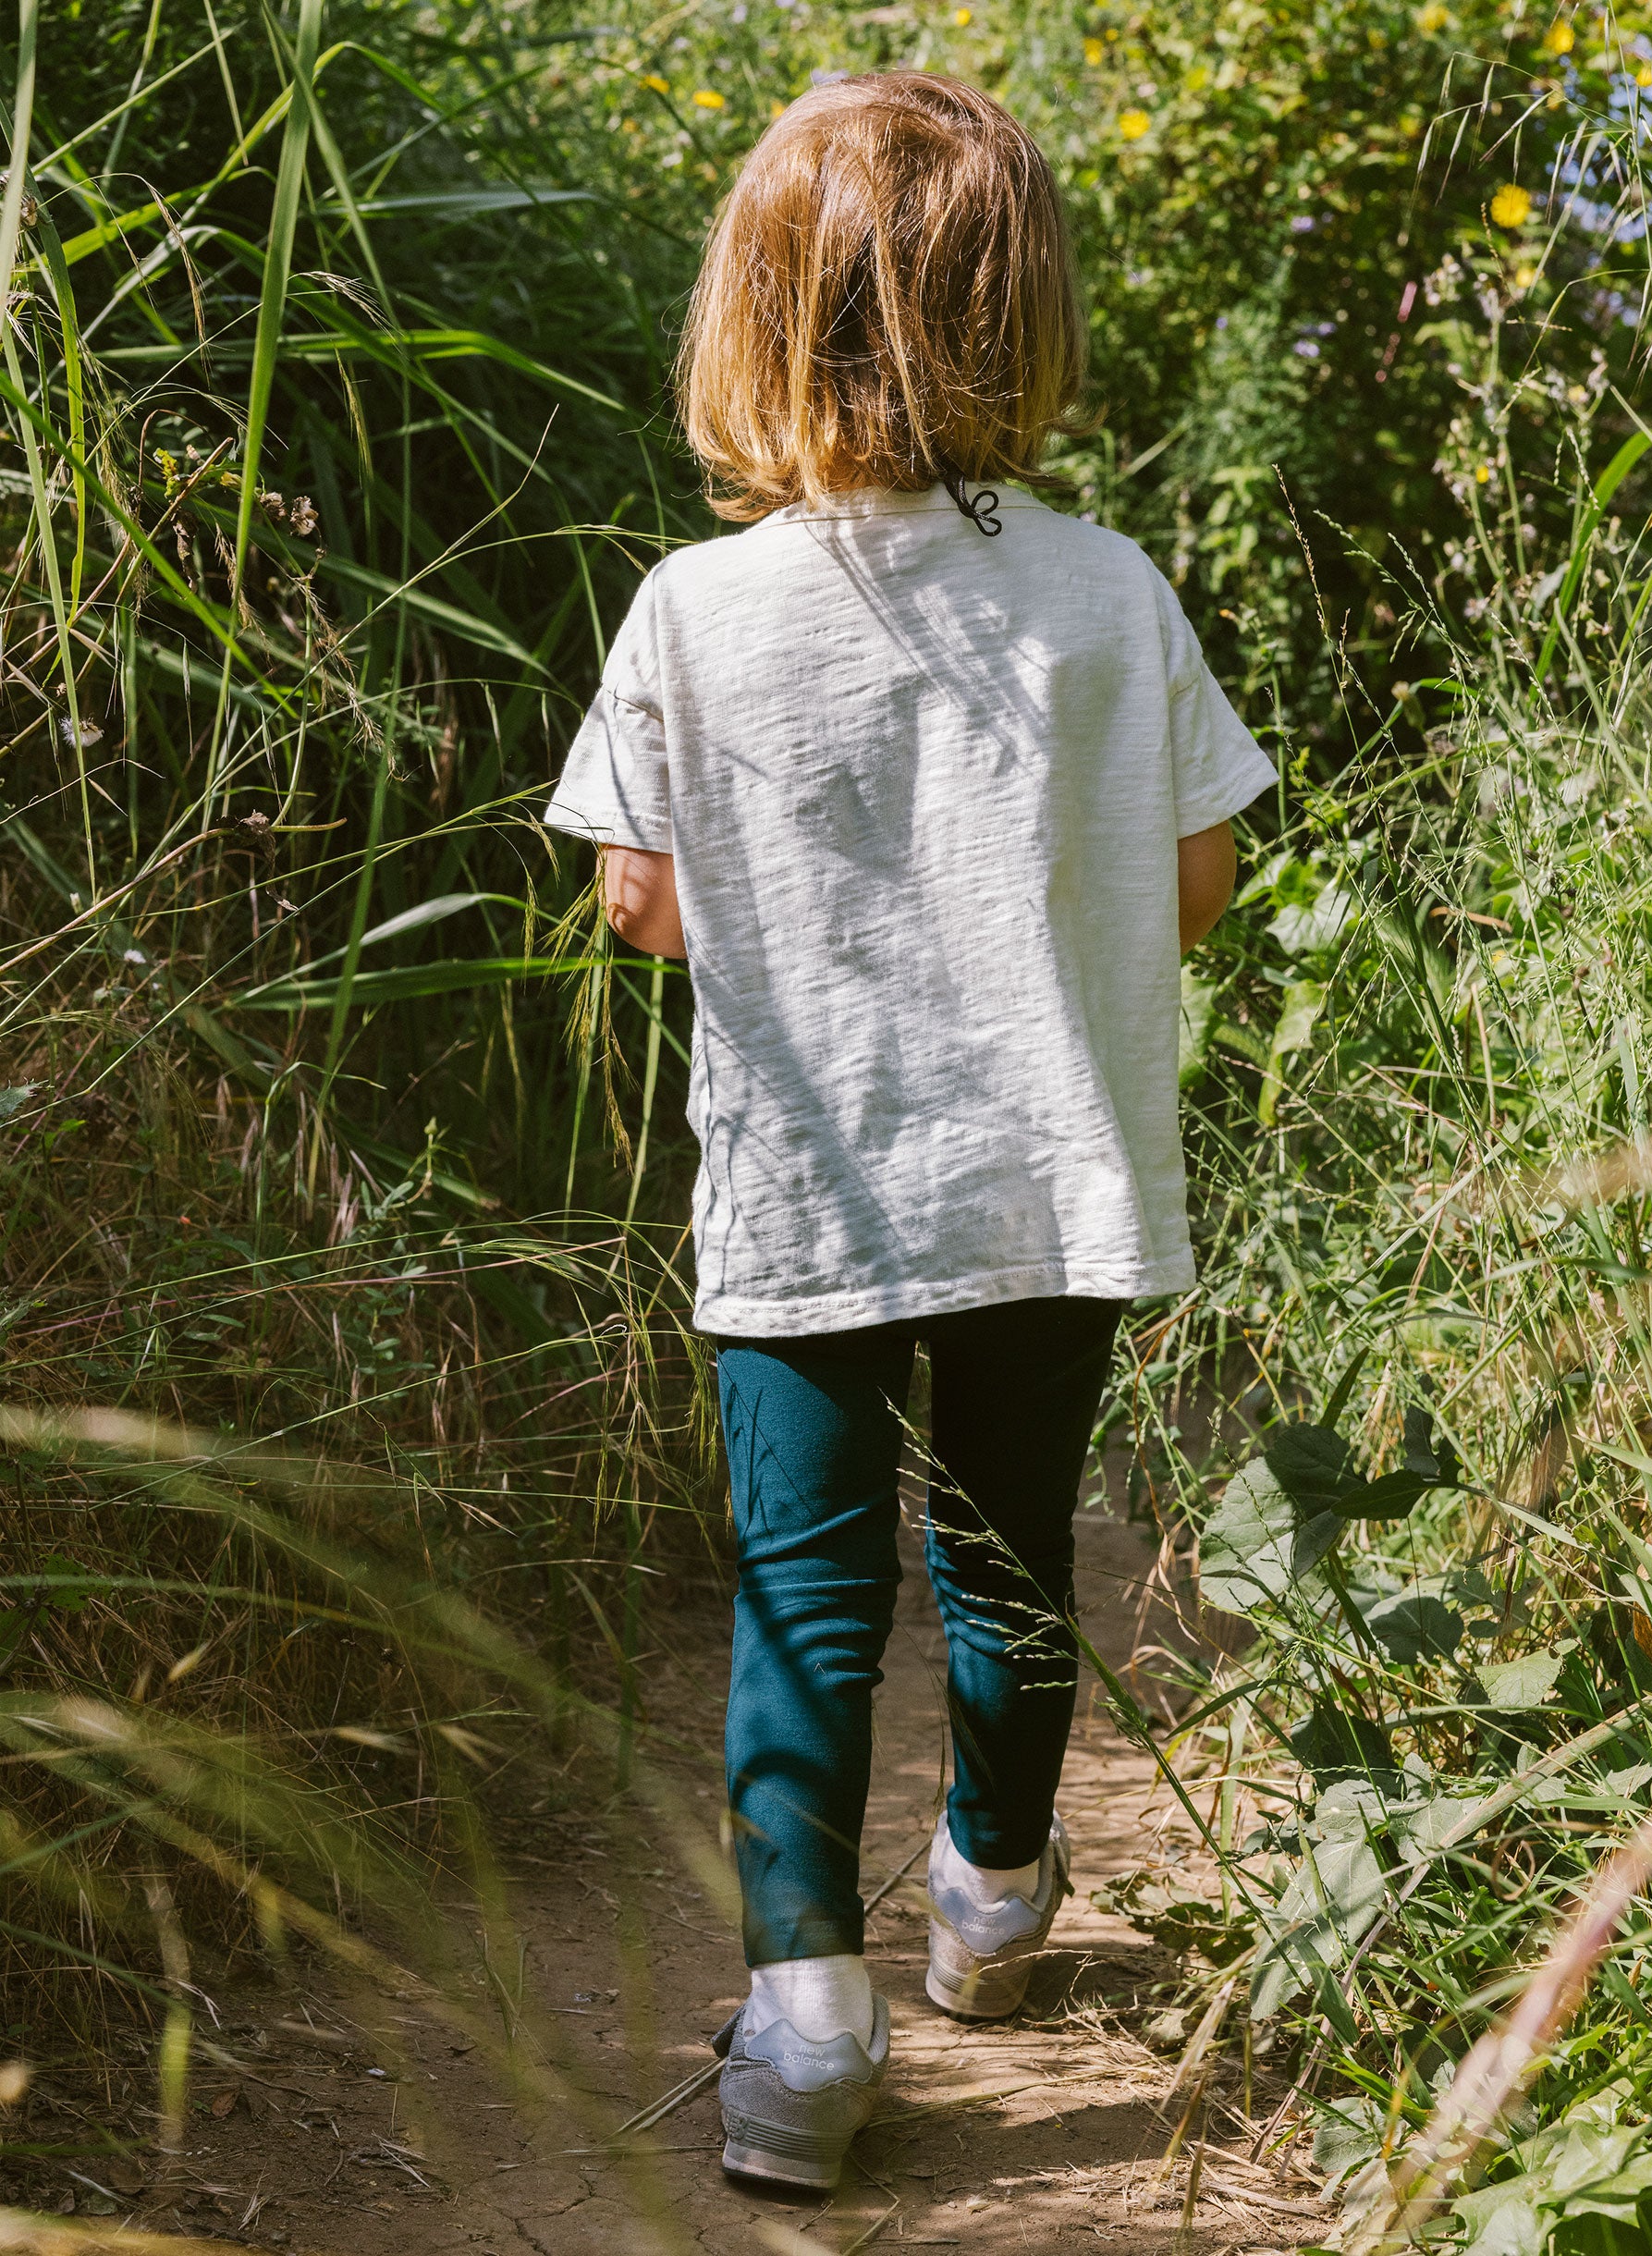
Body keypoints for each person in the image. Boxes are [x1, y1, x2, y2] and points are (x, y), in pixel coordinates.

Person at [545, 69, 1275, 2193]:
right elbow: (1200, 877)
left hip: (812, 1181)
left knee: (801, 1586)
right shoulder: (1109, 587)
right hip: (1050, 1176)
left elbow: (645, 895)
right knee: (1009, 1549)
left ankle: (803, 2017)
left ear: (754, 319)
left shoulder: (698, 608)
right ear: (1016, 308)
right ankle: (995, 1891)